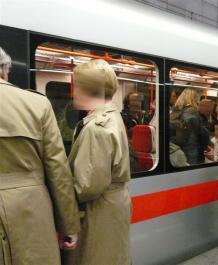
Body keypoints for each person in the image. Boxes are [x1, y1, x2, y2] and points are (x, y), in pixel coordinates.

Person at [0, 47, 80, 264]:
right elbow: (58, 170)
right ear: (5, 70)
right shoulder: (36, 104)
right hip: (29, 211)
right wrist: (69, 227)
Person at [63, 59, 131, 265]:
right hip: (112, 206)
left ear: (86, 89)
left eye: (76, 86)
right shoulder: (112, 116)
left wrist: (59, 195)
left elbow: (87, 186)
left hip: (98, 212)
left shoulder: (96, 128)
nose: (73, 93)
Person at [170, 88, 209, 165]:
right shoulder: (191, 111)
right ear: (193, 98)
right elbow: (185, 136)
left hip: (176, 149)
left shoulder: (175, 112)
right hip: (190, 150)